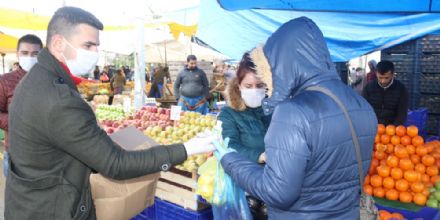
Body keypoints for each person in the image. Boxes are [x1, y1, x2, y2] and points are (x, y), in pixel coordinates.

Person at [5, 7, 215, 220]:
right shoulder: (59, 99)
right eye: (88, 45)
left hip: (29, 201)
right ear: (59, 43)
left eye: (97, 45)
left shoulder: (35, 80)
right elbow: (115, 164)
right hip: (52, 209)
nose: (94, 52)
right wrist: (187, 148)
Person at [214, 17, 377, 219]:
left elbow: (277, 193)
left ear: (282, 63)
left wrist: (229, 160)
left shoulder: (293, 112)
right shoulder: (361, 104)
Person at [218, 54, 271, 219]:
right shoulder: (229, 113)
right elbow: (229, 145)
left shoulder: (271, 108)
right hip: (247, 186)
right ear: (238, 85)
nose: (254, 90)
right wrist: (260, 156)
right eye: (248, 85)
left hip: (275, 185)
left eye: (259, 85)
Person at [0, 34, 43, 177]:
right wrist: (19, 123)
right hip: (16, 153)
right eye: (25, 53)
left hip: (45, 152)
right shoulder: (5, 81)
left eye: (35, 53)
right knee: (16, 196)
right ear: (18, 54)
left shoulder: (49, 79)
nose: (30, 57)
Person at [363, 60, 409, 125]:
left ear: (393, 74)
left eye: (386, 78)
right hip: (372, 126)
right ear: (376, 74)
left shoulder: (401, 89)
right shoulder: (368, 88)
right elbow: (364, 109)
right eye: (380, 78)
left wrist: (394, 126)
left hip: (393, 129)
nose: (383, 81)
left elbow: (402, 111)